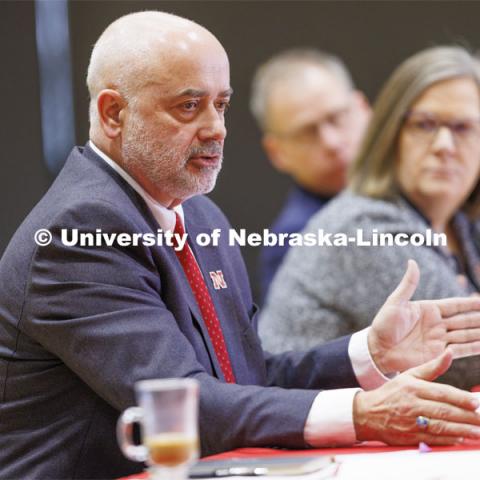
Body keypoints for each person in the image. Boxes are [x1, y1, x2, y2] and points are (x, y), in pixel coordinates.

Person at [2, 14, 480, 480]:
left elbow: (242, 380)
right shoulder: (79, 232)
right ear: (113, 113)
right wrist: (360, 412)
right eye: (189, 106)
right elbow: (185, 400)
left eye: (222, 104)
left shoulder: (200, 214)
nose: (217, 128)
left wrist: (369, 355)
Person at [259, 46, 480, 390]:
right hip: (302, 436)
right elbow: (465, 360)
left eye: (464, 127)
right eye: (425, 125)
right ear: (391, 135)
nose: (444, 144)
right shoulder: (362, 226)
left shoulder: (463, 225)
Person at [250, 49, 370, 300]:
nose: (331, 142)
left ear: (363, 109)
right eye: (307, 132)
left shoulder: (431, 192)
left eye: (337, 118)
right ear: (277, 152)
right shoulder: (293, 242)